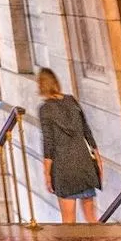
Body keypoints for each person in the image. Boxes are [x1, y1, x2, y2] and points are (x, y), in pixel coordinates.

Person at [38, 67, 103, 223]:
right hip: (83, 163)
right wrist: (98, 159)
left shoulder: (45, 109)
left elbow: (49, 144)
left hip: (63, 168)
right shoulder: (71, 100)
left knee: (68, 221)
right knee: (92, 218)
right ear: (56, 83)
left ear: (41, 85)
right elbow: (86, 131)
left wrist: (47, 174)